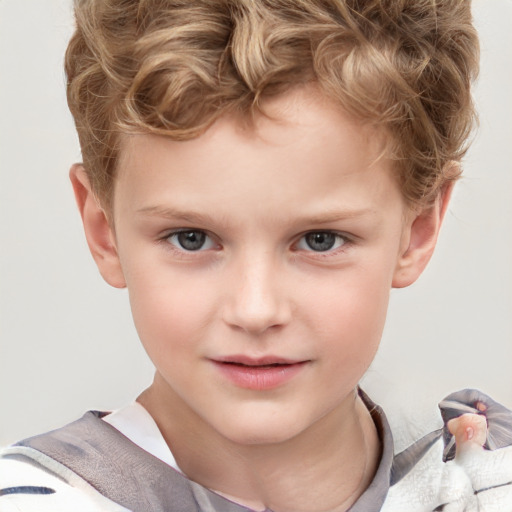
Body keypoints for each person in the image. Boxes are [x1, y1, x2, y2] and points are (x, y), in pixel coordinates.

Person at [0, 1, 511, 511]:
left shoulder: (489, 481)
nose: (255, 310)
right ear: (104, 230)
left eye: (320, 240)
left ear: (418, 229)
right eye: (191, 238)